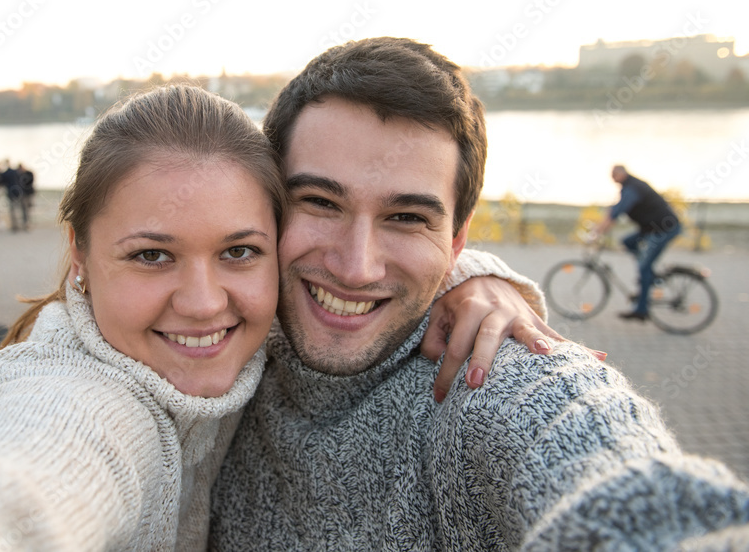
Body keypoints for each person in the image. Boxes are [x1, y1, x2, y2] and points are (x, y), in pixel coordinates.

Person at [0, 85, 553, 551]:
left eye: (239, 252)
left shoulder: (275, 327)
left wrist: (475, 279)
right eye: (150, 256)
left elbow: (361, 267)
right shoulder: (70, 392)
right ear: (78, 249)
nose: (205, 302)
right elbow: (12, 493)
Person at [209, 38, 749, 550]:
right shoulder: (210, 345)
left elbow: (615, 476)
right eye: (321, 202)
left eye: (406, 217)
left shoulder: (492, 386)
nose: (356, 266)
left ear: (457, 239)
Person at [594, 164, 682, 321]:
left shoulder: (632, 188)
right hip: (652, 228)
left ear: (622, 174)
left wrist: (598, 232)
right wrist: (603, 222)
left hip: (664, 229)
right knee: (628, 242)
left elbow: (617, 212)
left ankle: (641, 310)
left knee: (644, 267)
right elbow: (615, 208)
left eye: (614, 175)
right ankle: (649, 275)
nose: (613, 179)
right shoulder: (629, 186)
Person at [1, 157, 24, 232]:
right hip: (18, 192)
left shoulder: (5, 173)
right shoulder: (15, 172)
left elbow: (3, 183)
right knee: (19, 209)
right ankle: (21, 225)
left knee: (13, 210)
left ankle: (15, 226)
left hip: (11, 192)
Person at [15, 162, 35, 230]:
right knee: (24, 209)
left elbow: (31, 182)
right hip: (23, 194)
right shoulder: (20, 175)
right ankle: (26, 223)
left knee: (28, 208)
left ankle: (28, 222)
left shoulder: (28, 173)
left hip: (29, 194)